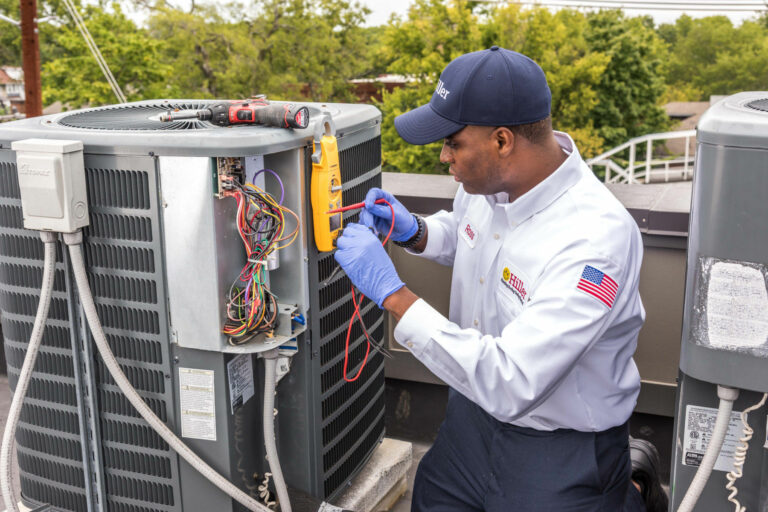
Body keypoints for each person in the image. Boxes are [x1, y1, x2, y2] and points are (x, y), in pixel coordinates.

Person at [333, 46, 667, 511]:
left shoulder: (593, 240)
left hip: (557, 448)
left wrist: (393, 295)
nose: (444, 157)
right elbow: (470, 237)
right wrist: (417, 232)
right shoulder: (490, 186)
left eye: (452, 143)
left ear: (503, 141)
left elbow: (514, 381)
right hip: (471, 420)